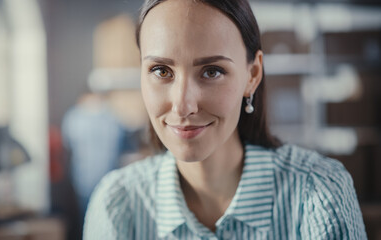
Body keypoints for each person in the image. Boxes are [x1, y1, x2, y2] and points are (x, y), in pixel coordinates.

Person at [83, 0, 367, 239]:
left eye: (211, 72)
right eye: (161, 71)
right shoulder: (117, 203)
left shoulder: (317, 193)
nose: (183, 106)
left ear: (252, 75)